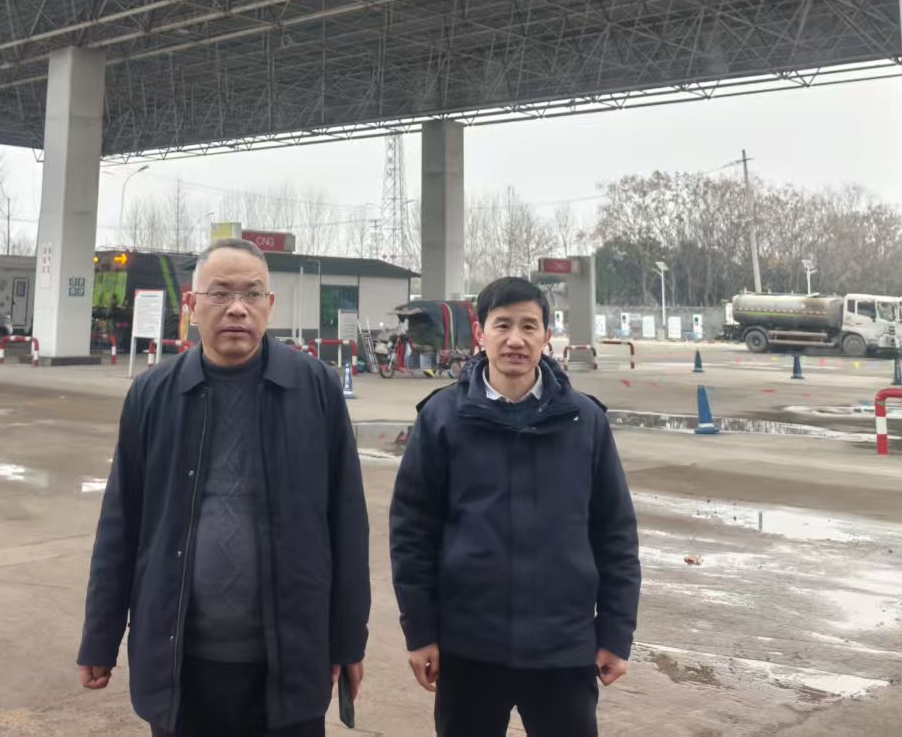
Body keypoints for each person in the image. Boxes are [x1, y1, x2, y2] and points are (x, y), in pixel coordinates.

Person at [78, 237, 370, 737]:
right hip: (181, 661)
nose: (237, 308)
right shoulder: (153, 395)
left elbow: (347, 522)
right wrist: (100, 637)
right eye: (220, 293)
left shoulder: (314, 388)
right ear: (192, 305)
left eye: (252, 294)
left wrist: (347, 641)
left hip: (290, 658)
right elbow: (120, 525)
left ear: (269, 305)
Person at [389, 276, 641, 736]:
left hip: (563, 650)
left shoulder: (585, 421)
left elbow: (615, 535)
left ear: (547, 336)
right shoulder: (442, 418)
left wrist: (616, 632)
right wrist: (420, 631)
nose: (515, 339)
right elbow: (413, 533)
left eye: (529, 326)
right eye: (502, 325)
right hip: (468, 649)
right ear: (480, 333)